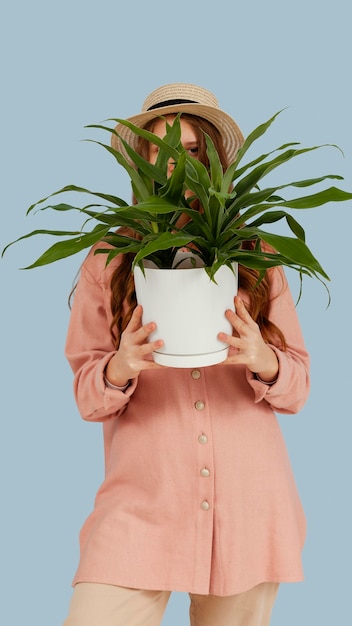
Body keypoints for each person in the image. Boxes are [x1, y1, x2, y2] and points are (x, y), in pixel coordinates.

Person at [62, 84, 310, 626]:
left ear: (214, 158)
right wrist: (120, 367)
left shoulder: (256, 255)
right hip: (142, 503)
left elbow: (298, 383)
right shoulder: (108, 258)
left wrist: (260, 356)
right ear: (140, 158)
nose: (176, 162)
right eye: (160, 148)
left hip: (249, 507)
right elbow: (86, 393)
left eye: (192, 150)